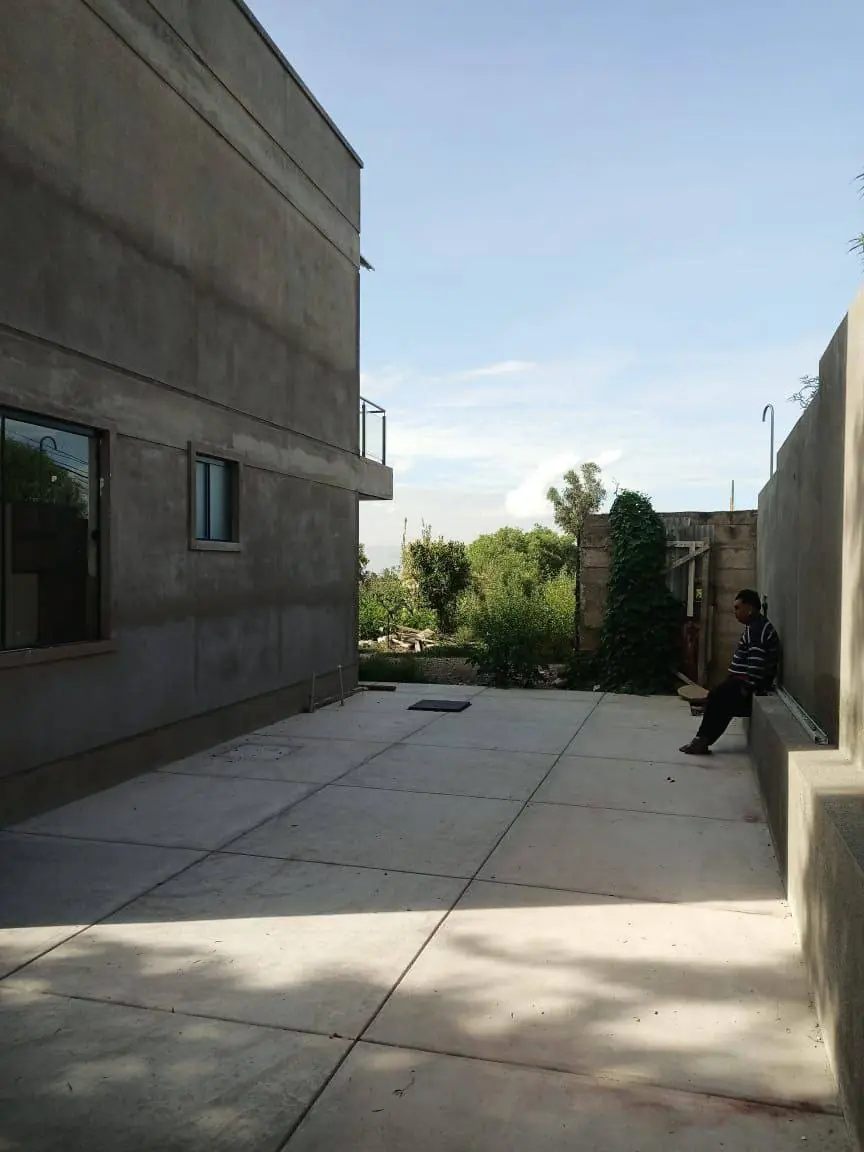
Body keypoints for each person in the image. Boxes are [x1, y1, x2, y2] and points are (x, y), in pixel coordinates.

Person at [679, 589, 779, 756]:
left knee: (719, 697)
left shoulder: (757, 630)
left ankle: (701, 740)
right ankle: (702, 740)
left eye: (738, 608)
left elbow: (756, 664)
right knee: (718, 696)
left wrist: (747, 688)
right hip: (743, 683)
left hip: (749, 687)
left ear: (750, 608)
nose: (735, 612)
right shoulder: (756, 627)